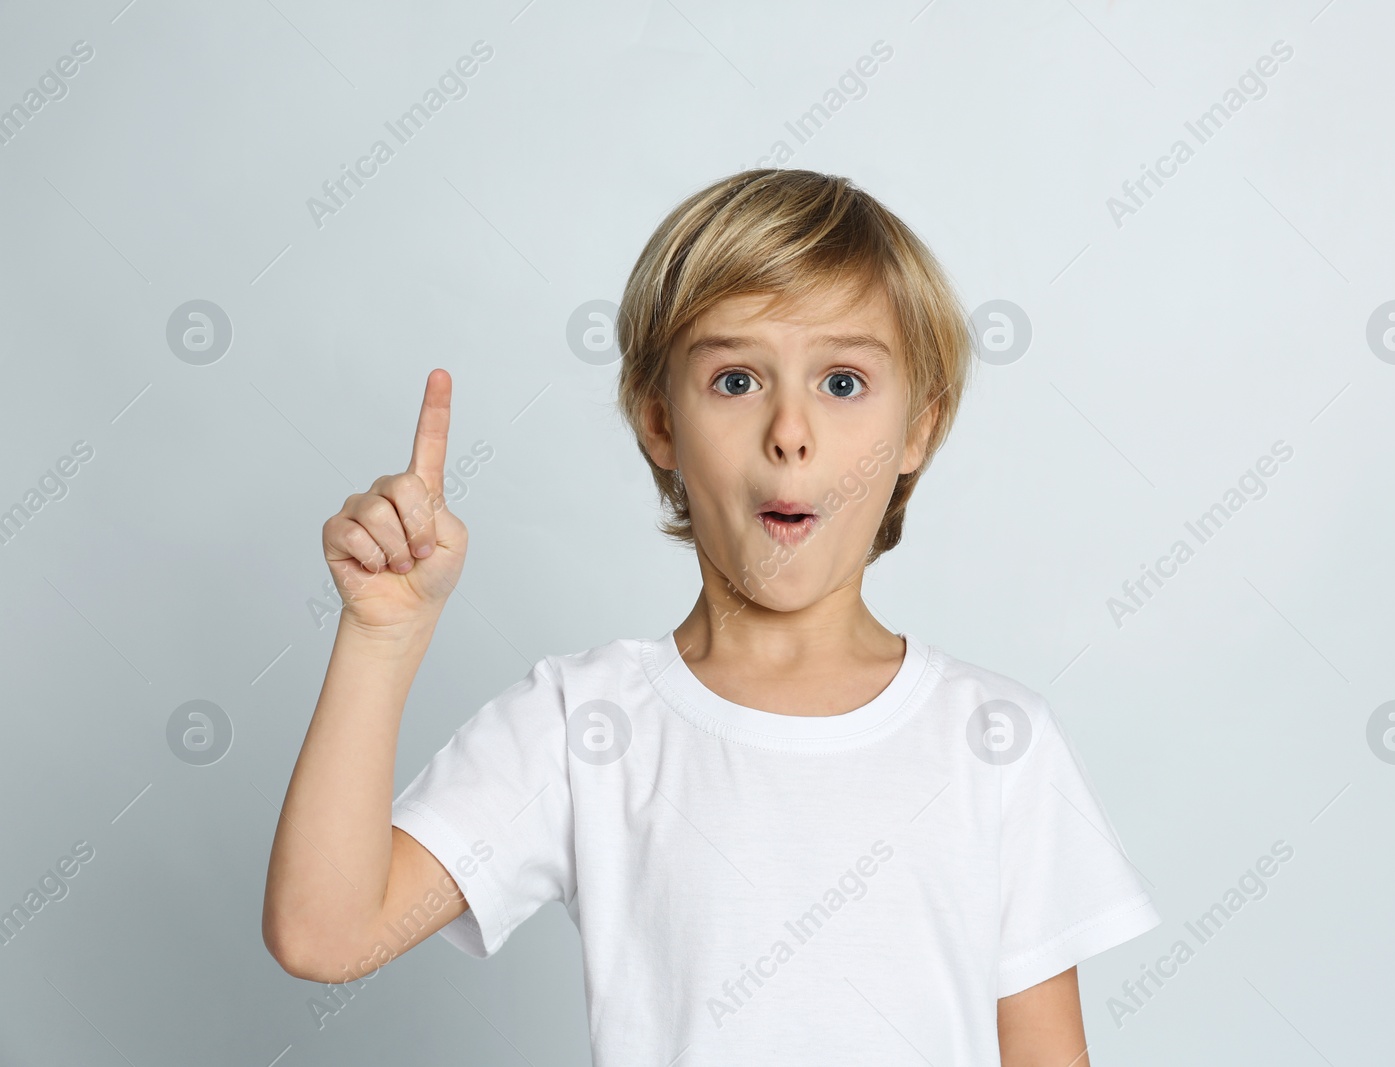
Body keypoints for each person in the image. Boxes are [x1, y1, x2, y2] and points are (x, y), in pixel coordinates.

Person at [262, 168, 1160, 1064]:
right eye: (736, 380)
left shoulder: (996, 738)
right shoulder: (586, 723)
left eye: (843, 382)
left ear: (918, 429)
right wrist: (383, 635)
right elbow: (324, 934)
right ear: (661, 422)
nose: (790, 430)